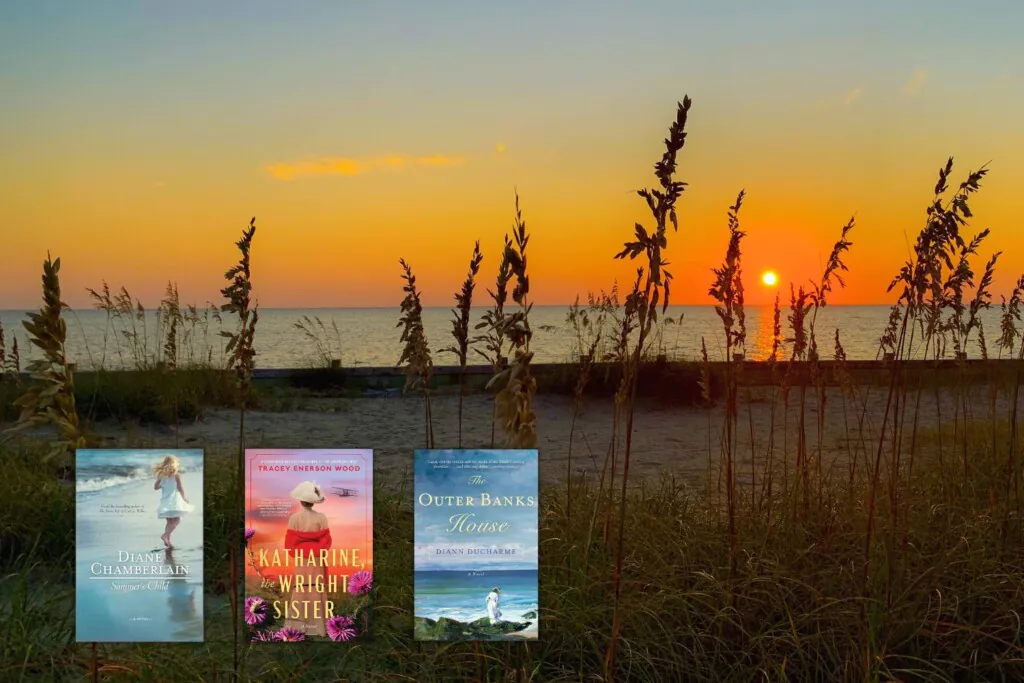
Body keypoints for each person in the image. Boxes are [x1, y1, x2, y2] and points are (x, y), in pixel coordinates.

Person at [283, 481, 333, 637]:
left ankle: (297, 627)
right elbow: (326, 540)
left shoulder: (294, 518)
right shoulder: (322, 517)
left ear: (300, 500)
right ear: (313, 502)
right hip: (317, 558)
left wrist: (299, 552)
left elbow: (289, 542)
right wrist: (316, 550)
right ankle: (318, 627)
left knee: (300, 587)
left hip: (301, 559)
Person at [153, 454, 194, 549]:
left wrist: (163, 485)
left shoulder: (161, 475)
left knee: (169, 522)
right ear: (174, 464)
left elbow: (155, 487)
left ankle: (168, 541)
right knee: (177, 520)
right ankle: (165, 535)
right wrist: (184, 498)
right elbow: (180, 487)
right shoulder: (176, 475)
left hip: (165, 500)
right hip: (174, 500)